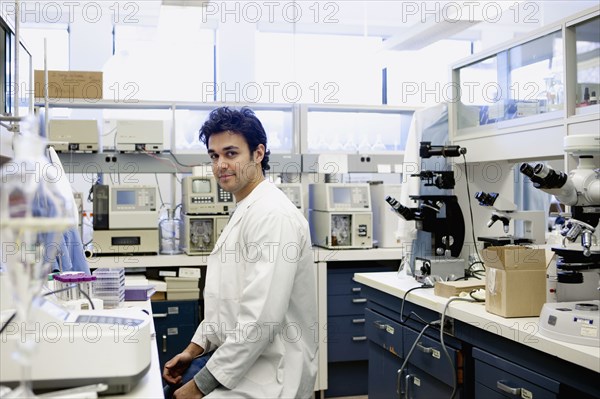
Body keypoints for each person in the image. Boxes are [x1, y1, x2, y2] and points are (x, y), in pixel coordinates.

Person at [163, 107, 318, 399]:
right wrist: (192, 350)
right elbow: (227, 304)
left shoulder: (273, 216)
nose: (220, 164)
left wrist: (197, 388)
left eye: (231, 153)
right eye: (214, 155)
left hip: (271, 378)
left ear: (258, 154)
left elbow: (258, 322)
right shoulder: (246, 209)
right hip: (240, 365)